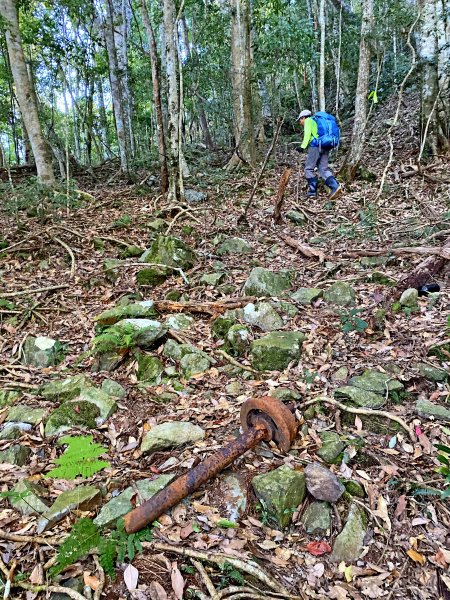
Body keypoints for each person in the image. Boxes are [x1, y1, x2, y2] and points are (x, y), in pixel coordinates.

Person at [297, 109, 342, 200]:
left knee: (309, 168)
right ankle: (335, 186)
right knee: (323, 169)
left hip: (316, 146)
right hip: (325, 146)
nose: (300, 122)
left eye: (300, 120)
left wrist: (302, 147)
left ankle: (312, 192)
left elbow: (307, 135)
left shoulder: (309, 121)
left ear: (303, 117)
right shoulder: (316, 121)